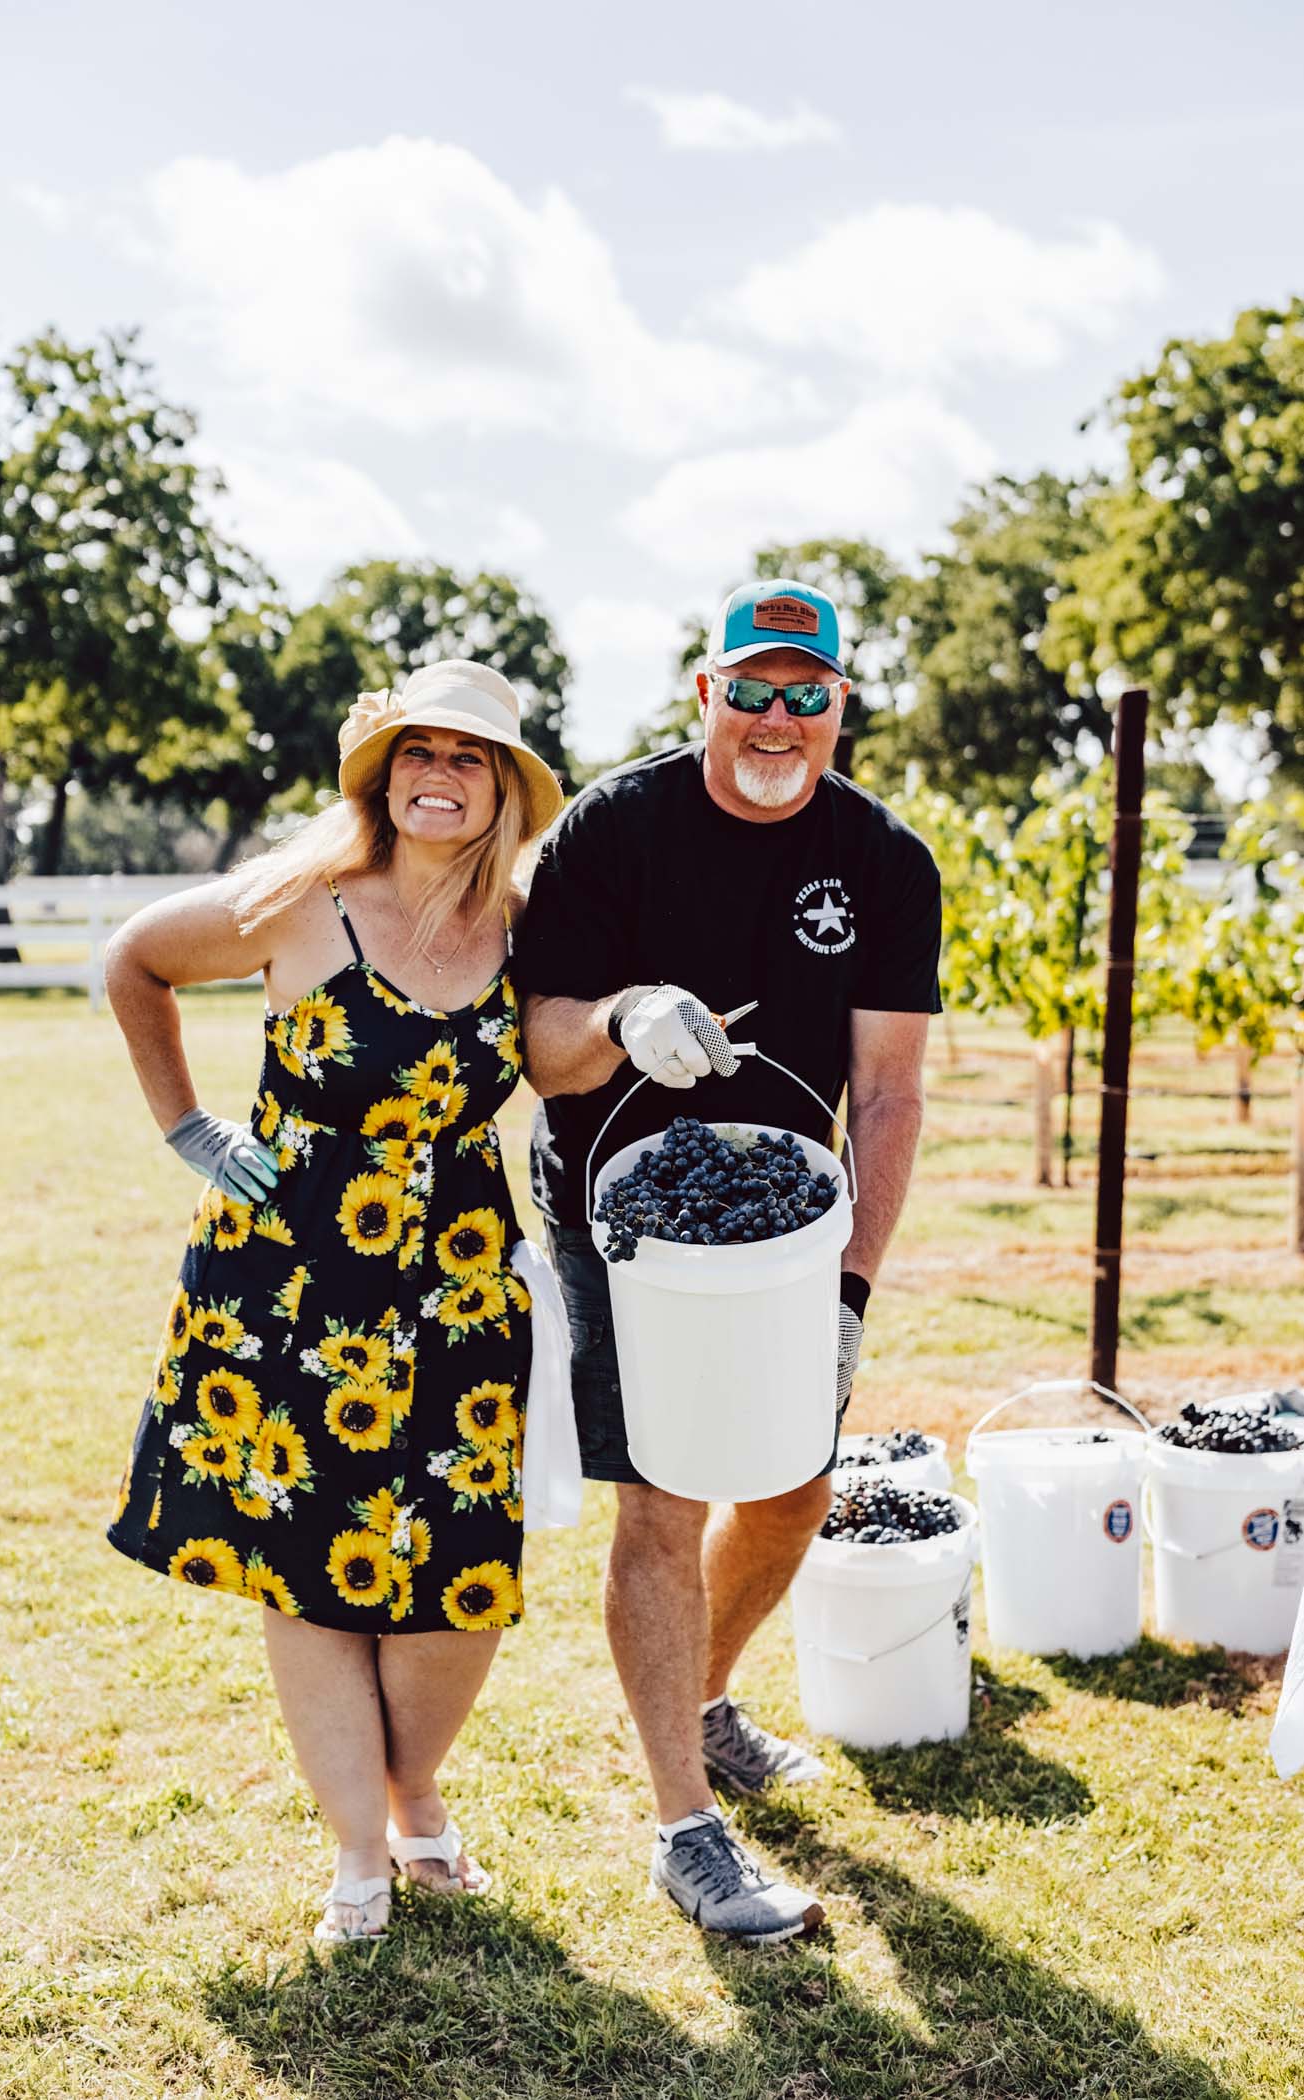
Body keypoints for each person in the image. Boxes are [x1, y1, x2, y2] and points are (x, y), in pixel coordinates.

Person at [105, 660, 563, 1945]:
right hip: (282, 1283)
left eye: (469, 759)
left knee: (459, 1566)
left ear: (501, 793)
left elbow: (577, 1041)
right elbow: (134, 962)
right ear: (384, 773)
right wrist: (189, 1128)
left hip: (463, 1284)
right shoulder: (303, 904)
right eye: (419, 752)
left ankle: (413, 1784)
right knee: (303, 1567)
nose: (439, 775)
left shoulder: (532, 928)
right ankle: (361, 1848)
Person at [515, 579, 941, 1945]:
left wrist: (851, 1292)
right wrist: (627, 1016)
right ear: (704, 696)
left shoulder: (886, 861)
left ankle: (698, 1699)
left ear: (838, 706)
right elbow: (540, 1042)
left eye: (802, 693)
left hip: (778, 1224)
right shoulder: (613, 828)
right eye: (747, 690)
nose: (774, 717)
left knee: (794, 1482)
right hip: (614, 1211)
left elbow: (883, 1092)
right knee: (659, 1497)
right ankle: (684, 1827)